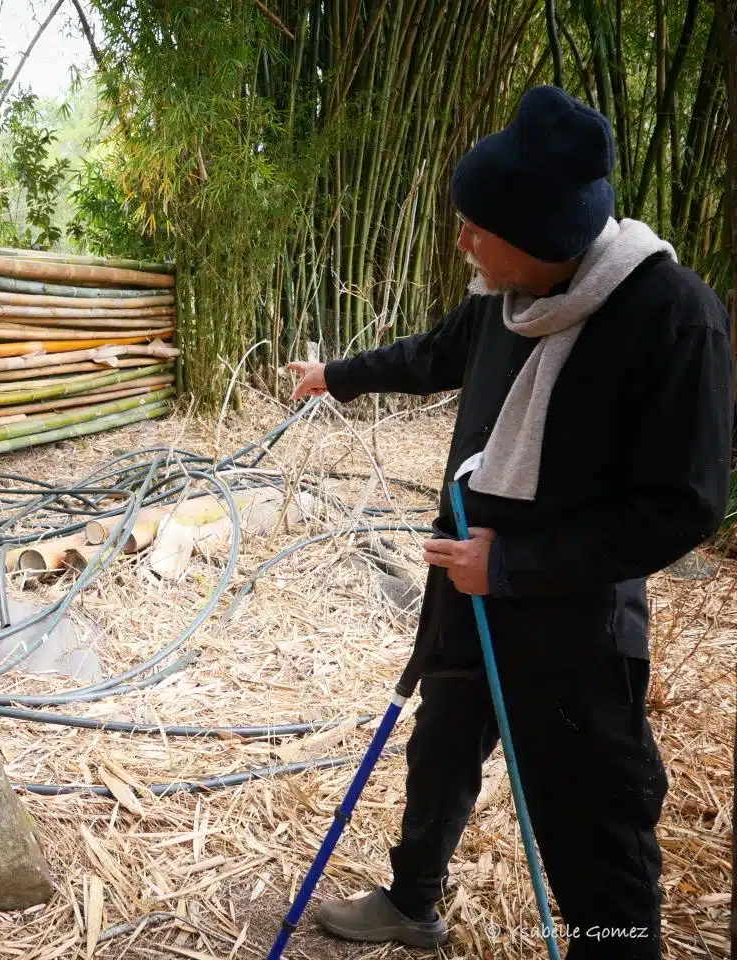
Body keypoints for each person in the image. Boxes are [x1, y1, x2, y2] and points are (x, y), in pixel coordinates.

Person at [286, 85, 733, 958]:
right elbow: (431, 355)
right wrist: (334, 375)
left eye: (475, 227)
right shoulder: (506, 301)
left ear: (537, 239)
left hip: (572, 625)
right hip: (466, 585)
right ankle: (413, 904)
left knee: (591, 826)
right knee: (441, 753)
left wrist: (518, 564)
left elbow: (684, 505)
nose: (462, 241)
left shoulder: (673, 316)